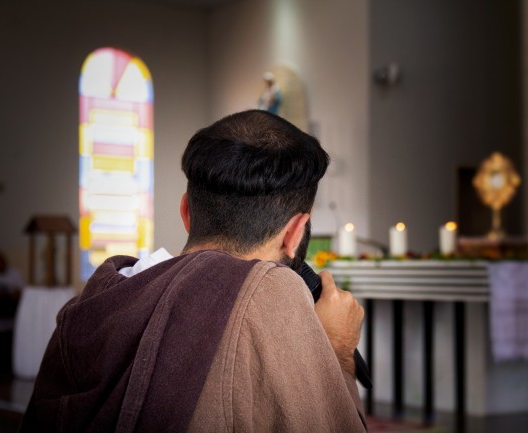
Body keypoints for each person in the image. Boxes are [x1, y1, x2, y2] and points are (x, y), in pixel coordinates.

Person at [21, 110, 367, 432]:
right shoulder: (272, 293)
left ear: (186, 212)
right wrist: (338, 350)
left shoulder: (94, 299)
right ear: (295, 233)